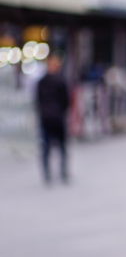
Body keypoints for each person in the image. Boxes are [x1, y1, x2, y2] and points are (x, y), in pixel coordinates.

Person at [35, 52, 70, 184]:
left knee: (49, 147)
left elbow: (38, 101)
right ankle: (57, 172)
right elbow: (66, 101)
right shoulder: (60, 81)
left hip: (48, 118)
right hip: (55, 118)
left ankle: (51, 173)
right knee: (57, 147)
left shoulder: (43, 82)